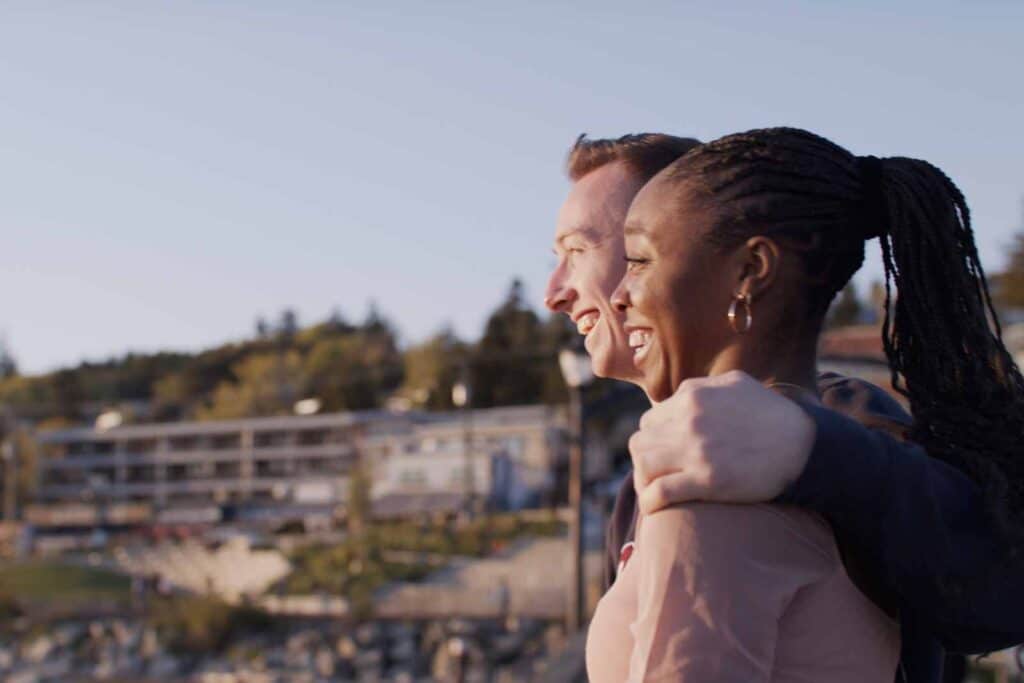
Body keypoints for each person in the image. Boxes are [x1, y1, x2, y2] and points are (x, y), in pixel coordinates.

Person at [544, 132, 1024, 682]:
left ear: (742, 266)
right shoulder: (645, 481)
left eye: (580, 252)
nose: (553, 291)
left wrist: (811, 450)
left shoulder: (829, 423)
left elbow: (996, 579)